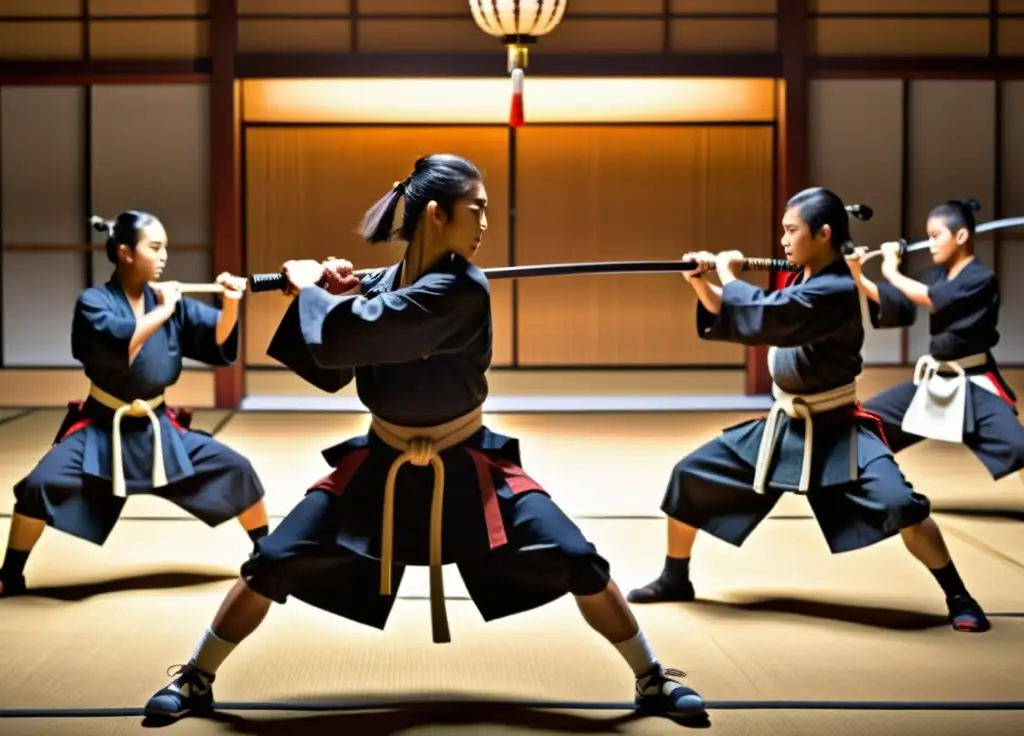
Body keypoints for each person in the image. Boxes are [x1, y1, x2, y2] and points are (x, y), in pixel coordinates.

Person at [142, 154, 705, 723]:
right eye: (476, 211)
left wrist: (316, 293)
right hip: (380, 461)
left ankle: (651, 679)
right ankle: (196, 678)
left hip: (469, 464)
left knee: (577, 557)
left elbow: (360, 332)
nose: (485, 225)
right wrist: (328, 295)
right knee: (274, 559)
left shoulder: (462, 290)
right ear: (436, 214)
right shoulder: (385, 285)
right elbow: (334, 365)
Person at [626, 188, 990, 633]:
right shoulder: (805, 281)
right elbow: (751, 311)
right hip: (785, 425)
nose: (783, 240)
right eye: (782, 231)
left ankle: (959, 594)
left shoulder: (836, 288)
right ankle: (674, 577)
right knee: (690, 475)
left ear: (823, 233)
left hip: (837, 427)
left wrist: (729, 272)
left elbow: (763, 315)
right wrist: (701, 281)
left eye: (791, 230)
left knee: (903, 505)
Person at [0, 212, 269, 598]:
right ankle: (11, 574)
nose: (163, 257)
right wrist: (163, 310)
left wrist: (229, 306)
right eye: (154, 247)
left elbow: (215, 339)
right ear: (125, 252)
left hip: (158, 428)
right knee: (39, 485)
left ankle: (267, 554)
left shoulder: (166, 301)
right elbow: (121, 346)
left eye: (165, 249)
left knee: (236, 469)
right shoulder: (95, 302)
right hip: (102, 427)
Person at [848, 199, 1024, 499]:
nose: (929, 244)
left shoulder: (981, 279)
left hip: (974, 382)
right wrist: (857, 274)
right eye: (927, 236)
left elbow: (931, 298)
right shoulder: (936, 276)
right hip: (935, 380)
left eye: (935, 235)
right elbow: (899, 301)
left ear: (961, 236)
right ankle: (855, 492)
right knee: (865, 423)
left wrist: (891, 270)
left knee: (1017, 446)